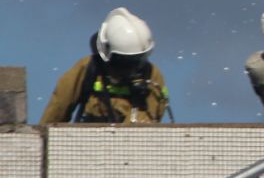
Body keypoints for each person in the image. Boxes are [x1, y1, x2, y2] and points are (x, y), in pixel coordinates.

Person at [39, 7, 172, 124]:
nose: (131, 70)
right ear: (107, 54)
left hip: (133, 149)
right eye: (124, 62)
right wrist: (43, 141)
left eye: (137, 61)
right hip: (87, 146)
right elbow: (56, 111)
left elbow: (148, 123)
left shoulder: (152, 76)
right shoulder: (87, 70)